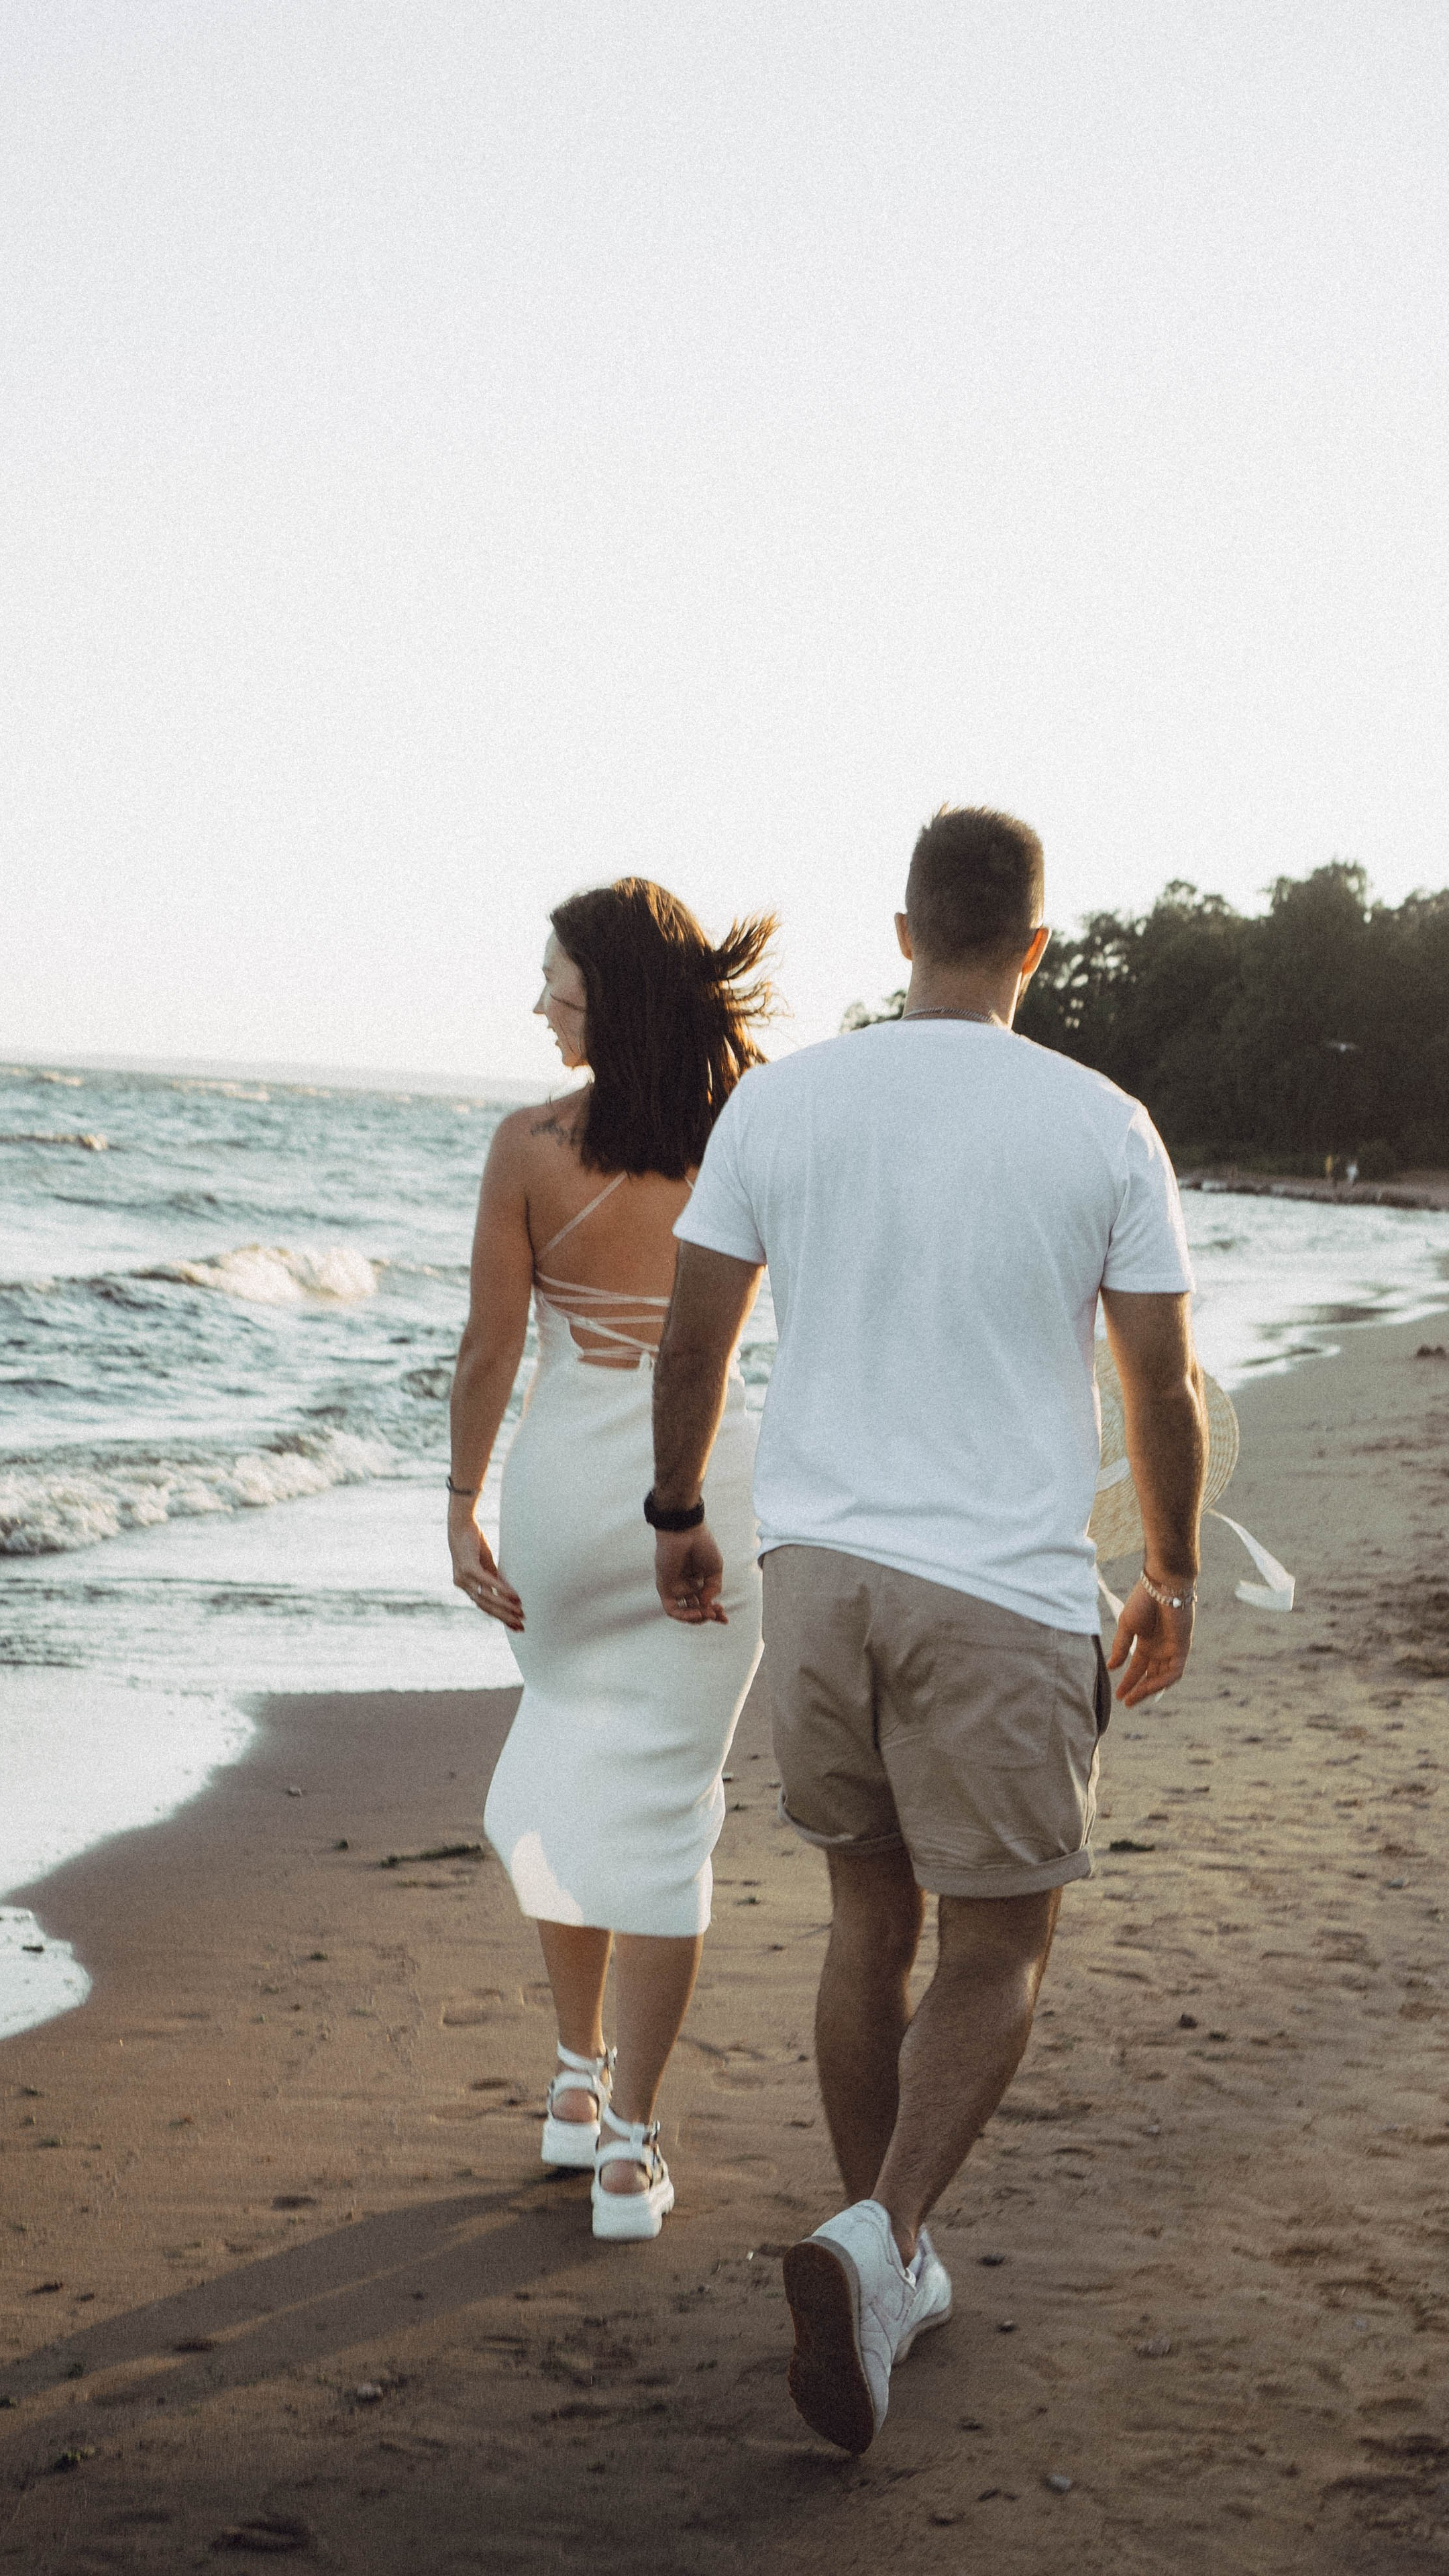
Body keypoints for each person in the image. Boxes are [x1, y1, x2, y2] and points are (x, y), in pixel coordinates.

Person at [649, 806, 1207, 2445]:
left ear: (898, 931)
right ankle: (883, 2238)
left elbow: (695, 1335)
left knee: (862, 1925)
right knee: (998, 1947)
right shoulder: (1103, 1124)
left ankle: (879, 2253)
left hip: (818, 1572)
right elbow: (1157, 1381)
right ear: (1032, 945)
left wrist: (677, 1513)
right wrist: (1166, 1574)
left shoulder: (782, 1100)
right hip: (1001, 1592)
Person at [447, 878, 777, 2241]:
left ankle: (574, 2083)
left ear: (611, 993)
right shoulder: (748, 1139)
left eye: (554, 980)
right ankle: (630, 2150)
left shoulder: (526, 1147)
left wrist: (459, 1504)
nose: (537, 1004)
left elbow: (488, 1350)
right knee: (662, 1803)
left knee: (568, 1761)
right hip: (705, 1488)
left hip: (562, 1495)